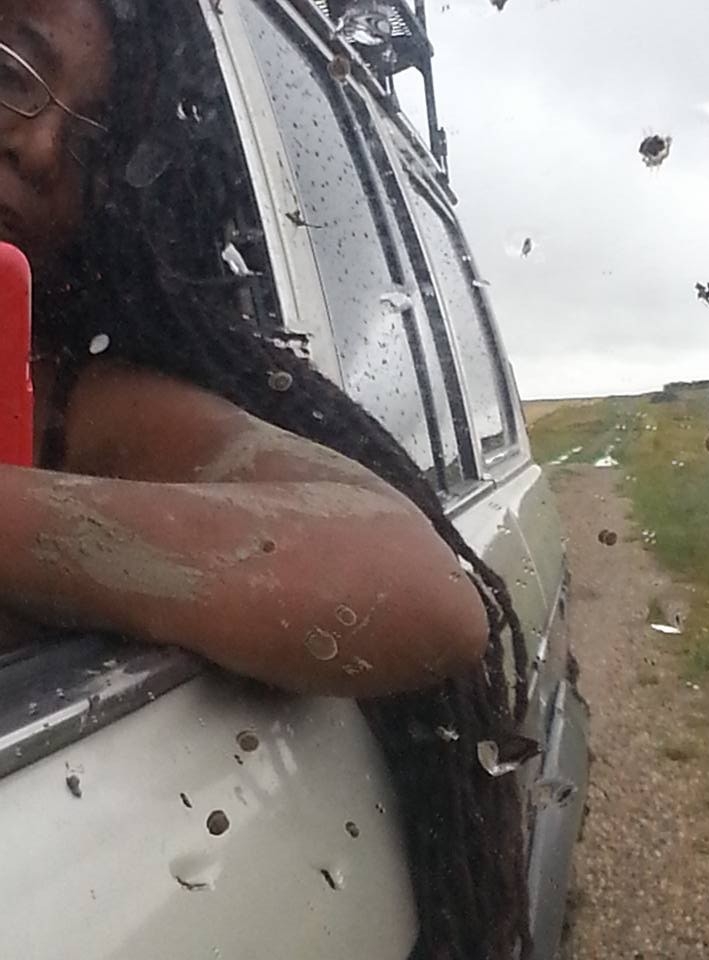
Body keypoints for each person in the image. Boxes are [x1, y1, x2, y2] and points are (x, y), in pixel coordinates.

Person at [0, 0, 532, 956]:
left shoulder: (74, 402)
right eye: (7, 71)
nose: (40, 152)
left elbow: (416, 586)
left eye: (90, 139)